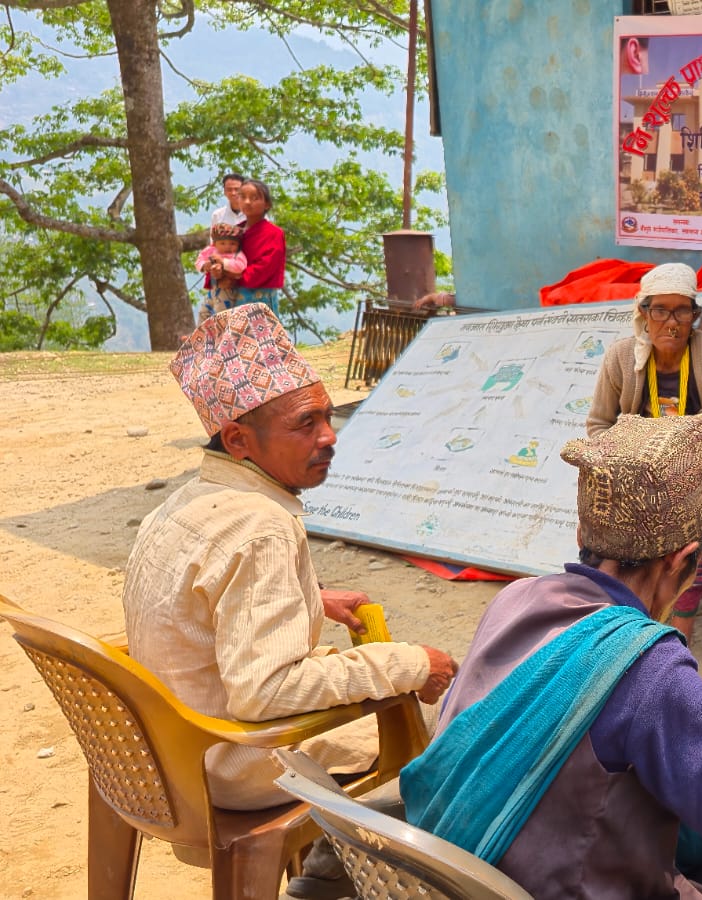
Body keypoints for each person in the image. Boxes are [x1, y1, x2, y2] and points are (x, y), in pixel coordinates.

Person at [403, 412, 702, 899]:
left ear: (585, 536)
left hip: (464, 878)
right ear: (681, 561)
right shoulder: (648, 668)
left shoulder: (515, 599)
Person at [122, 304, 457, 894]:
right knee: (444, 754)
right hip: (231, 763)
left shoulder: (184, 503)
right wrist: (406, 664)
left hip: (162, 753)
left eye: (329, 418)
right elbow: (265, 692)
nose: (330, 437)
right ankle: (338, 882)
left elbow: (203, 593)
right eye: (306, 425)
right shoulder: (263, 527)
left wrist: (312, 596)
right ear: (238, 439)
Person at [588, 262, 702, 644]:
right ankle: (618, 623)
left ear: (695, 315)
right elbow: (598, 425)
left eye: (682, 311)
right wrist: (621, 460)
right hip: (639, 470)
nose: (671, 323)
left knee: (680, 529)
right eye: (660, 310)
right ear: (643, 313)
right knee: (603, 528)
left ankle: (674, 638)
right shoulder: (621, 358)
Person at [213, 179, 286, 314]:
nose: (247, 202)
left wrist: (231, 274)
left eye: (254, 198)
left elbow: (265, 267)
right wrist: (216, 270)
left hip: (259, 298)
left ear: (267, 204)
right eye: (243, 197)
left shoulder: (274, 233)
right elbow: (219, 254)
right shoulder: (235, 231)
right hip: (230, 296)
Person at [195, 222, 248, 318]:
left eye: (232, 244)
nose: (227, 247)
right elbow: (199, 260)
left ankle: (221, 331)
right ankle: (202, 331)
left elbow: (240, 266)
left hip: (227, 291)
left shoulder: (237, 255)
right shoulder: (210, 251)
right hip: (213, 290)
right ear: (215, 244)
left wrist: (223, 263)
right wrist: (204, 266)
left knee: (221, 313)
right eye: (222, 243)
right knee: (204, 312)